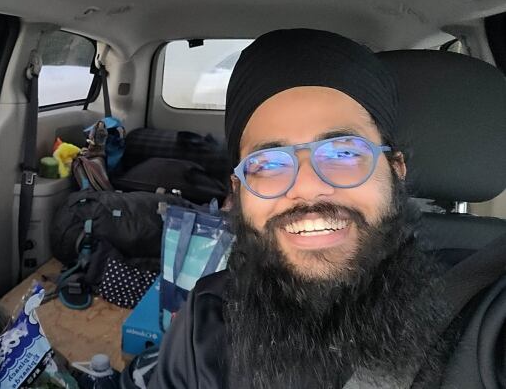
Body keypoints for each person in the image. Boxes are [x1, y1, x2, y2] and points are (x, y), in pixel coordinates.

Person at [150, 29, 454, 388]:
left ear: (396, 170)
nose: (308, 187)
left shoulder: (478, 308)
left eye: (344, 153)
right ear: (238, 191)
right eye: (268, 163)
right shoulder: (208, 318)